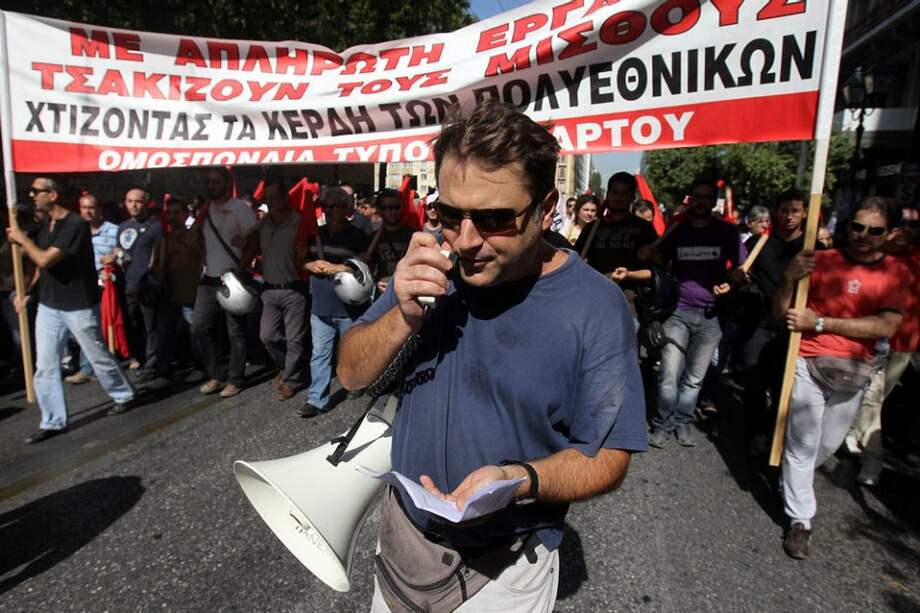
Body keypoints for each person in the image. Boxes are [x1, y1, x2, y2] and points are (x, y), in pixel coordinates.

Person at [337, 101, 646, 612]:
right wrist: (402, 316)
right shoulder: (431, 263)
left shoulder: (596, 306)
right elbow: (350, 374)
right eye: (450, 213)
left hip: (505, 569)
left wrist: (519, 479)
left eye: (495, 219)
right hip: (402, 545)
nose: (467, 240)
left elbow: (609, 456)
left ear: (547, 208)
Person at [775, 196, 907, 559]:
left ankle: (791, 480)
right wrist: (789, 279)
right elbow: (782, 311)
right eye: (857, 227)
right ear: (848, 227)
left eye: (874, 230)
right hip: (807, 362)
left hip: (854, 371)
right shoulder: (819, 261)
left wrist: (819, 322)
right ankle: (800, 521)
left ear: (890, 234)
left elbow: (887, 324)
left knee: (827, 444)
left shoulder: (895, 273)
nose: (863, 235)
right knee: (800, 446)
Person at [6, 176, 135, 443]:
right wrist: (26, 292)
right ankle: (52, 421)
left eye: (36, 192)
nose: (32, 196)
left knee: (97, 355)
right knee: (45, 365)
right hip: (49, 305)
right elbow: (41, 267)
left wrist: (22, 239)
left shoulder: (74, 224)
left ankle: (123, 394)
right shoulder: (46, 225)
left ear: (52, 195)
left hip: (78, 305)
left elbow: (45, 258)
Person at [646, 178, 747, 448]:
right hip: (678, 313)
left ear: (714, 202)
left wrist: (733, 281)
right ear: (691, 200)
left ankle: (683, 421)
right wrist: (648, 254)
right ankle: (662, 424)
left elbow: (742, 269)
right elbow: (658, 261)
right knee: (668, 374)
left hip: (711, 316)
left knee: (693, 378)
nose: (701, 202)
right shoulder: (677, 230)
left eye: (707, 197)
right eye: (697, 197)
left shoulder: (727, 232)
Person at [845, 212, 920, 486]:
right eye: (901, 225)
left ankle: (852, 433)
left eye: (914, 226)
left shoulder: (914, 259)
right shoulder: (872, 256)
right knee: (872, 399)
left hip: (906, 344)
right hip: (873, 341)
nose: (906, 231)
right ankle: (872, 461)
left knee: (874, 399)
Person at [739, 190, 810, 456]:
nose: (789, 216)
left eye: (795, 211)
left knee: (785, 387)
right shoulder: (759, 244)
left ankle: (775, 435)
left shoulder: (812, 248)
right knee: (754, 377)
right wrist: (735, 276)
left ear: (804, 213)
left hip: (796, 328)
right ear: (776, 212)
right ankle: (755, 435)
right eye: (784, 210)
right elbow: (737, 268)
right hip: (762, 324)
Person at [300, 186, 371, 418]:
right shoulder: (315, 235)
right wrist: (310, 265)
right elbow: (302, 262)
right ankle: (316, 399)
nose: (328, 211)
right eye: (325, 206)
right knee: (320, 354)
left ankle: (355, 383)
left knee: (350, 350)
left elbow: (364, 265)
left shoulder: (357, 236)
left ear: (346, 209)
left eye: (334, 206)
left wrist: (339, 267)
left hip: (348, 309)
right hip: (320, 308)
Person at [191, 167, 257, 398]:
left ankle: (235, 379)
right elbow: (197, 237)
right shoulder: (205, 209)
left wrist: (240, 270)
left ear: (227, 184)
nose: (211, 186)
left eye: (216, 182)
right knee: (198, 326)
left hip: (234, 278)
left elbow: (253, 242)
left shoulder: (241, 209)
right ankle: (216, 374)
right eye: (208, 182)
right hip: (209, 279)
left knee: (235, 332)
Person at [241, 176, 309, 401]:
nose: (270, 202)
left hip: (294, 289)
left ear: (284, 197)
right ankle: (284, 366)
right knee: (267, 336)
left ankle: (291, 380)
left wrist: (304, 253)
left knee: (294, 339)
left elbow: (310, 247)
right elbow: (248, 244)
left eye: (274, 197)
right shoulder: (263, 224)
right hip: (269, 291)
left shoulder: (299, 221)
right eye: (266, 198)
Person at [575, 172, 659, 322]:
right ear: (607, 195)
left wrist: (630, 274)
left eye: (624, 193)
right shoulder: (593, 228)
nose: (619, 197)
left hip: (629, 308)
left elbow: (656, 270)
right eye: (615, 192)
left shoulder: (644, 228)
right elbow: (576, 262)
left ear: (632, 197)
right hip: (594, 306)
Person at [101, 187, 163, 383]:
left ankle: (153, 365)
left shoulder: (155, 226)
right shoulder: (123, 227)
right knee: (132, 324)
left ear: (146, 203)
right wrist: (113, 259)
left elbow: (159, 256)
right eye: (129, 201)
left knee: (151, 327)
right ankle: (141, 358)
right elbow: (121, 252)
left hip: (148, 284)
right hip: (128, 284)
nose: (133, 205)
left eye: (137, 201)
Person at [64, 191, 119, 385]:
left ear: (100, 210)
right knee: (83, 329)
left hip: (105, 286)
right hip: (79, 286)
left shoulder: (113, 231)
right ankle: (92, 365)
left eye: (92, 207)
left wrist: (115, 257)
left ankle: (88, 368)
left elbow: (123, 252)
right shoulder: (72, 231)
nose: (88, 211)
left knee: (94, 328)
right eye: (84, 208)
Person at [155, 197, 203, 378]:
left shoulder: (195, 237)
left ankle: (201, 367)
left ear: (185, 214)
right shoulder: (163, 240)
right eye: (169, 213)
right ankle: (164, 372)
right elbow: (156, 267)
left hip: (190, 294)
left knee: (194, 333)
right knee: (166, 334)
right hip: (169, 295)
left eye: (176, 213)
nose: (172, 217)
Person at [370, 189, 414, 295]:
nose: (392, 211)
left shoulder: (413, 236)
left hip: (406, 291)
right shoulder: (372, 238)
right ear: (380, 211)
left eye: (396, 207)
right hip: (381, 293)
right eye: (387, 208)